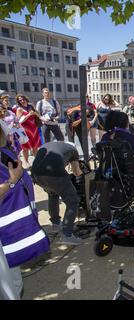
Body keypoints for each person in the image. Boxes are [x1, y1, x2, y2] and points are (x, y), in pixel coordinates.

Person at [1, 125, 50, 299]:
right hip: (6, 233)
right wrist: (12, 182)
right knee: (10, 287)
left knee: (14, 283)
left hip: (11, 232)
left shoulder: (5, 154)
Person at [31, 141, 84, 245]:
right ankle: (67, 234)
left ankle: (56, 225)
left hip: (36, 174)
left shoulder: (49, 145)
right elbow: (76, 171)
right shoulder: (73, 150)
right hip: (55, 174)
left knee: (53, 194)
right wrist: (83, 174)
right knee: (73, 201)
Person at [12, 95, 42, 167]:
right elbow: (18, 121)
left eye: (23, 99)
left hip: (34, 129)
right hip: (25, 130)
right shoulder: (19, 109)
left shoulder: (31, 106)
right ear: (18, 102)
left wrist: (35, 113)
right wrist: (28, 115)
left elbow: (39, 115)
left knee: (35, 147)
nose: (22, 101)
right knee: (25, 148)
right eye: (20, 100)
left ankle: (37, 162)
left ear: (26, 99)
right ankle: (26, 162)